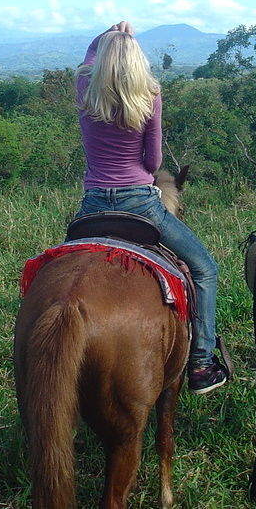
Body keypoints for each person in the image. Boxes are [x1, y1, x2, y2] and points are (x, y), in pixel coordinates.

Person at [74, 22, 229, 394]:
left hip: (92, 204)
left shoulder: (84, 89)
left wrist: (106, 35)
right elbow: (152, 160)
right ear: (137, 62)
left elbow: (86, 61)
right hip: (140, 204)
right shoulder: (150, 95)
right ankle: (201, 363)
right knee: (205, 269)